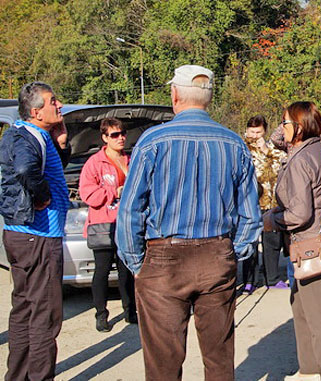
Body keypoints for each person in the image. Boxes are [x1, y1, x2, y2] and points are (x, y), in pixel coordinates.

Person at [115, 64, 262, 381]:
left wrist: (136, 263)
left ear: (175, 94)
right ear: (209, 98)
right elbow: (251, 214)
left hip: (164, 258)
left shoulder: (153, 141)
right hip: (216, 254)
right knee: (219, 359)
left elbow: (130, 210)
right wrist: (235, 253)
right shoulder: (234, 143)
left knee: (163, 364)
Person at [263, 101, 321, 381]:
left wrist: (272, 220)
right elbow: (277, 139)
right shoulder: (318, 148)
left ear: (298, 129)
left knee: (319, 318)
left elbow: (299, 214)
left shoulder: (300, 160)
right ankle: (309, 370)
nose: (280, 128)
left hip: (312, 246)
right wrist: (295, 119)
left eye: (285, 122)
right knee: (301, 308)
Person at [0, 82, 70, 381]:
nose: (59, 105)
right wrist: (41, 197)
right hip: (37, 236)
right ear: (35, 111)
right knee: (44, 316)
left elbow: (49, 169)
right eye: (53, 101)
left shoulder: (35, 135)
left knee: (25, 311)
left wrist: (62, 144)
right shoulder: (25, 135)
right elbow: (26, 171)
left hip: (28, 236)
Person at [79, 117, 136, 332]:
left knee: (127, 271)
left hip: (126, 224)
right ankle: (101, 314)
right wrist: (114, 192)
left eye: (122, 133)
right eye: (114, 135)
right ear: (104, 138)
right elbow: (88, 195)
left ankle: (131, 311)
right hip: (103, 225)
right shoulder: (94, 163)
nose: (120, 138)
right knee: (102, 271)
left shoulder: (131, 160)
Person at [244, 115, 287, 293]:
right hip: (250, 204)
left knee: (272, 242)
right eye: (252, 132)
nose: (255, 136)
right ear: (246, 131)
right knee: (250, 244)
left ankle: (272, 277)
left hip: (272, 202)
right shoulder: (242, 149)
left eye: (258, 132)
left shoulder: (273, 150)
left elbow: (283, 161)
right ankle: (249, 280)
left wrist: (266, 150)